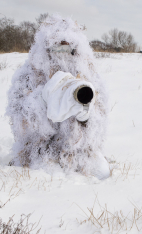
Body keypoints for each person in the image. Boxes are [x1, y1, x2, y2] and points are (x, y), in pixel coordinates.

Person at [6, 15, 110, 179]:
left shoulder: (90, 76)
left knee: (102, 173)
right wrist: (42, 103)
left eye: (69, 50)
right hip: (41, 150)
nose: (62, 55)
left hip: (80, 151)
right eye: (56, 49)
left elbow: (99, 122)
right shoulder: (27, 77)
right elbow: (20, 121)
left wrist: (84, 116)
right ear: (45, 49)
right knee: (50, 176)